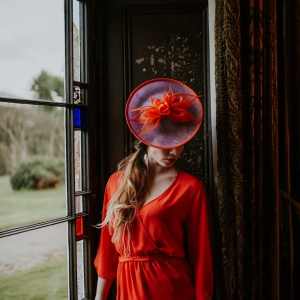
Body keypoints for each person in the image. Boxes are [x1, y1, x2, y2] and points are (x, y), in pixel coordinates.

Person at [94, 78, 213, 300]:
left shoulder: (191, 188)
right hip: (129, 287)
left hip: (174, 289)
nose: (175, 152)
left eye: (181, 143)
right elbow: (107, 252)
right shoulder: (116, 183)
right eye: (168, 143)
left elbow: (202, 256)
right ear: (147, 138)